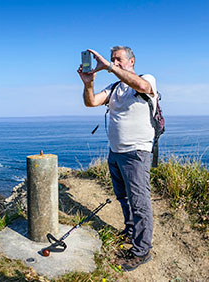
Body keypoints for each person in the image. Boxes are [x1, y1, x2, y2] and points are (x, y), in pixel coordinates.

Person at [77, 46, 156, 271]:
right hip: (116, 152)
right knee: (123, 197)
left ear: (132, 61)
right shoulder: (114, 88)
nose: (114, 62)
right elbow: (91, 102)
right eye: (112, 59)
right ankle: (131, 232)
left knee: (140, 203)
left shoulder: (145, 79)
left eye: (119, 59)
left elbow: (142, 87)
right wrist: (88, 83)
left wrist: (109, 67)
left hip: (136, 153)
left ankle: (141, 251)